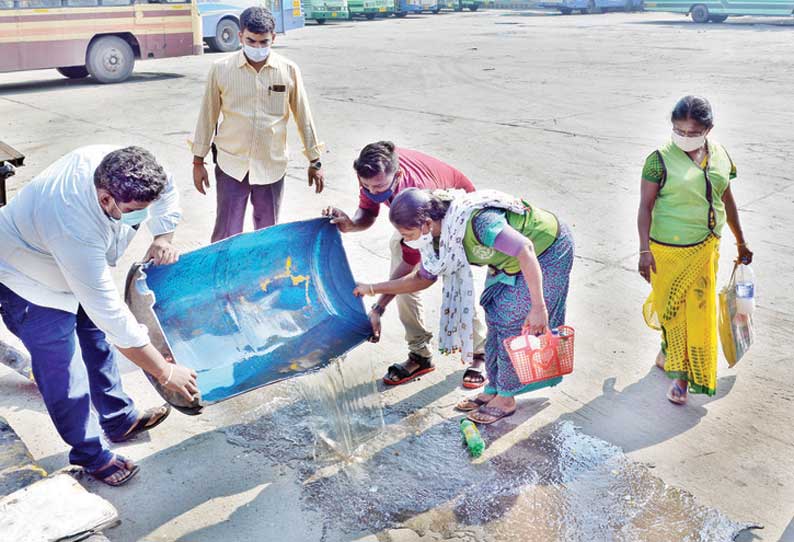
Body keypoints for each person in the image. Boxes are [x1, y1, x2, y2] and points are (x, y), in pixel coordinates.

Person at [0, 145, 199, 486]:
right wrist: (165, 373)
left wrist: (163, 235)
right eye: (136, 211)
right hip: (26, 277)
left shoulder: (140, 167)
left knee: (95, 339)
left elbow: (167, 193)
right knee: (63, 370)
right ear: (106, 199)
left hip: (75, 264)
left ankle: (118, 418)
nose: (141, 217)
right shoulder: (71, 222)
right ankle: (91, 455)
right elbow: (112, 315)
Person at [354, 188, 575, 424]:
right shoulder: (437, 240)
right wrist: (372, 288)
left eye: (408, 233)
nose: (407, 240)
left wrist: (539, 307)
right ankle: (495, 388)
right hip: (508, 262)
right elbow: (421, 279)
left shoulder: (478, 222)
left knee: (512, 321)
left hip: (547, 250)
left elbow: (524, 249)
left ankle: (507, 398)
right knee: (495, 318)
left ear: (427, 223)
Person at [322, 142, 488, 389]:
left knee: (455, 282)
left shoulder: (415, 194)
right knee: (401, 285)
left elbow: (411, 271)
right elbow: (368, 213)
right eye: (365, 185)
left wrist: (377, 306)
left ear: (397, 175)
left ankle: (480, 353)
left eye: (377, 186)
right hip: (412, 219)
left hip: (452, 214)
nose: (371, 190)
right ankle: (420, 353)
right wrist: (350, 224)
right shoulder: (372, 172)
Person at [638, 95, 753, 405]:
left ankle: (682, 377)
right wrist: (643, 251)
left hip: (705, 250)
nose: (684, 138)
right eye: (678, 130)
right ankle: (669, 353)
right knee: (672, 312)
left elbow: (727, 201)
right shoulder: (658, 160)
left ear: (708, 129)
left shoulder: (720, 157)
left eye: (691, 132)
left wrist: (741, 242)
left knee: (697, 314)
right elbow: (645, 208)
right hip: (666, 253)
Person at [191, 6, 325, 242]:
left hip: (271, 165)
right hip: (232, 163)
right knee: (226, 233)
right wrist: (198, 160)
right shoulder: (221, 69)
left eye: (264, 42)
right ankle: (223, 275)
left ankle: (261, 276)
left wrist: (315, 160)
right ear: (241, 35)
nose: (257, 47)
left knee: (267, 232)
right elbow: (207, 116)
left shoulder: (289, 70)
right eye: (251, 41)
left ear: (273, 38)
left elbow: (304, 116)